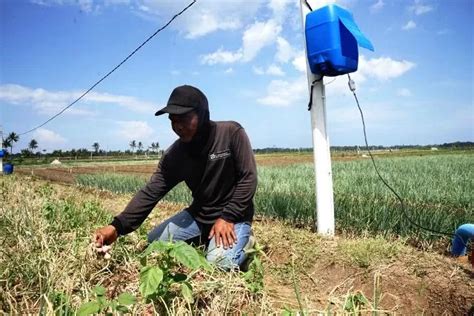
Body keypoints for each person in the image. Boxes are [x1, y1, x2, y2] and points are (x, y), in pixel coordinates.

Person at [94, 85, 258, 270]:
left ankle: (246, 241)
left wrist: (228, 216)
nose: (178, 126)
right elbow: (151, 192)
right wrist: (117, 227)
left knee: (219, 265)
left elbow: (248, 178)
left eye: (185, 118)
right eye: (173, 120)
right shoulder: (176, 155)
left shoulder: (230, 133)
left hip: (234, 217)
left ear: (203, 114)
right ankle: (206, 238)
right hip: (199, 216)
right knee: (154, 244)